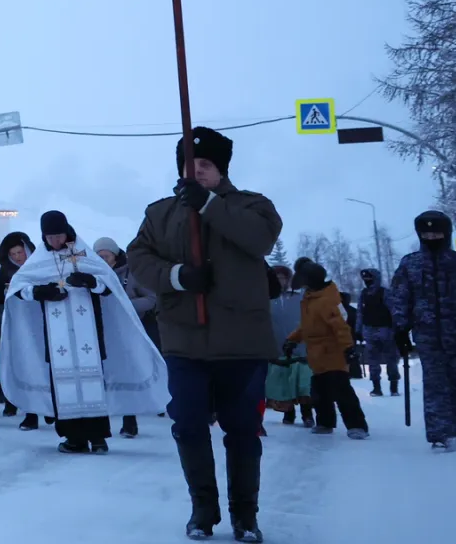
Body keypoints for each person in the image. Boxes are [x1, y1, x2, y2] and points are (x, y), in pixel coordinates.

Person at [128, 126, 282, 544]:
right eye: (188, 165)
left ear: (221, 169)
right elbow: (138, 258)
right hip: (185, 339)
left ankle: (245, 515)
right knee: (189, 424)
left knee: (242, 430)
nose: (195, 173)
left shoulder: (254, 206)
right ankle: (203, 509)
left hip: (241, 341)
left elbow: (260, 240)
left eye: (205, 165)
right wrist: (177, 276)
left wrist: (211, 205)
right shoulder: (160, 213)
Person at [4, 212, 166, 455]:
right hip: (55, 336)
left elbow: (110, 287)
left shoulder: (84, 254)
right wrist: (39, 292)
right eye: (50, 236)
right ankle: (73, 438)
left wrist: (91, 282)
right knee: (63, 386)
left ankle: (98, 437)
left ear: (67, 232)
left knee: (93, 384)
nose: (55, 241)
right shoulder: (39, 259)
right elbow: (18, 288)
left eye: (58, 235)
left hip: (89, 333)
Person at [389, 210, 456, 451]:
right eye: (427, 233)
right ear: (420, 235)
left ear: (446, 234)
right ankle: (440, 434)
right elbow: (399, 298)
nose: (432, 237)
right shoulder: (410, 264)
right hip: (427, 336)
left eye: (437, 233)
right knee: (435, 384)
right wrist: (400, 329)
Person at [283, 259, 367, 438]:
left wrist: (348, 348)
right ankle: (324, 423)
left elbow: (340, 326)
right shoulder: (310, 298)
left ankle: (357, 425)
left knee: (341, 390)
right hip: (316, 355)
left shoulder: (327, 300)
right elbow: (306, 326)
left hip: (333, 353)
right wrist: (292, 340)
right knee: (319, 392)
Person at [93, 235, 150, 437]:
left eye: (106, 256)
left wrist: (126, 306)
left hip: (128, 333)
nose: (103, 260)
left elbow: (152, 299)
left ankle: (129, 421)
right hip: (101, 332)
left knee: (126, 376)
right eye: (99, 256)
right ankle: (102, 423)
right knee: (102, 378)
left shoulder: (132, 273)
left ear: (115, 256)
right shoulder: (93, 275)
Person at [0, 231, 36, 424]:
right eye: (14, 254)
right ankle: (14, 401)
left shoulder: (38, 268)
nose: (18, 257)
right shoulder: (3, 272)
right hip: (13, 323)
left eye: (20, 252)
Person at [263, 264, 311, 430]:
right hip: (277, 345)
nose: (280, 281)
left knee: (303, 382)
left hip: (300, 345)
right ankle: (288, 412)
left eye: (283, 278)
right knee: (284, 381)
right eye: (277, 278)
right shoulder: (267, 298)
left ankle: (307, 414)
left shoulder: (299, 297)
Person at [355, 269, 399, 398]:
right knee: (373, 361)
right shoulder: (363, 294)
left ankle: (393, 386)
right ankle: (377, 388)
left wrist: (397, 329)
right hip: (369, 330)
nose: (367, 282)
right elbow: (360, 313)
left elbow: (393, 311)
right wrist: (358, 330)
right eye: (365, 280)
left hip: (386, 330)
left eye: (369, 279)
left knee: (390, 359)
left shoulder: (385, 293)